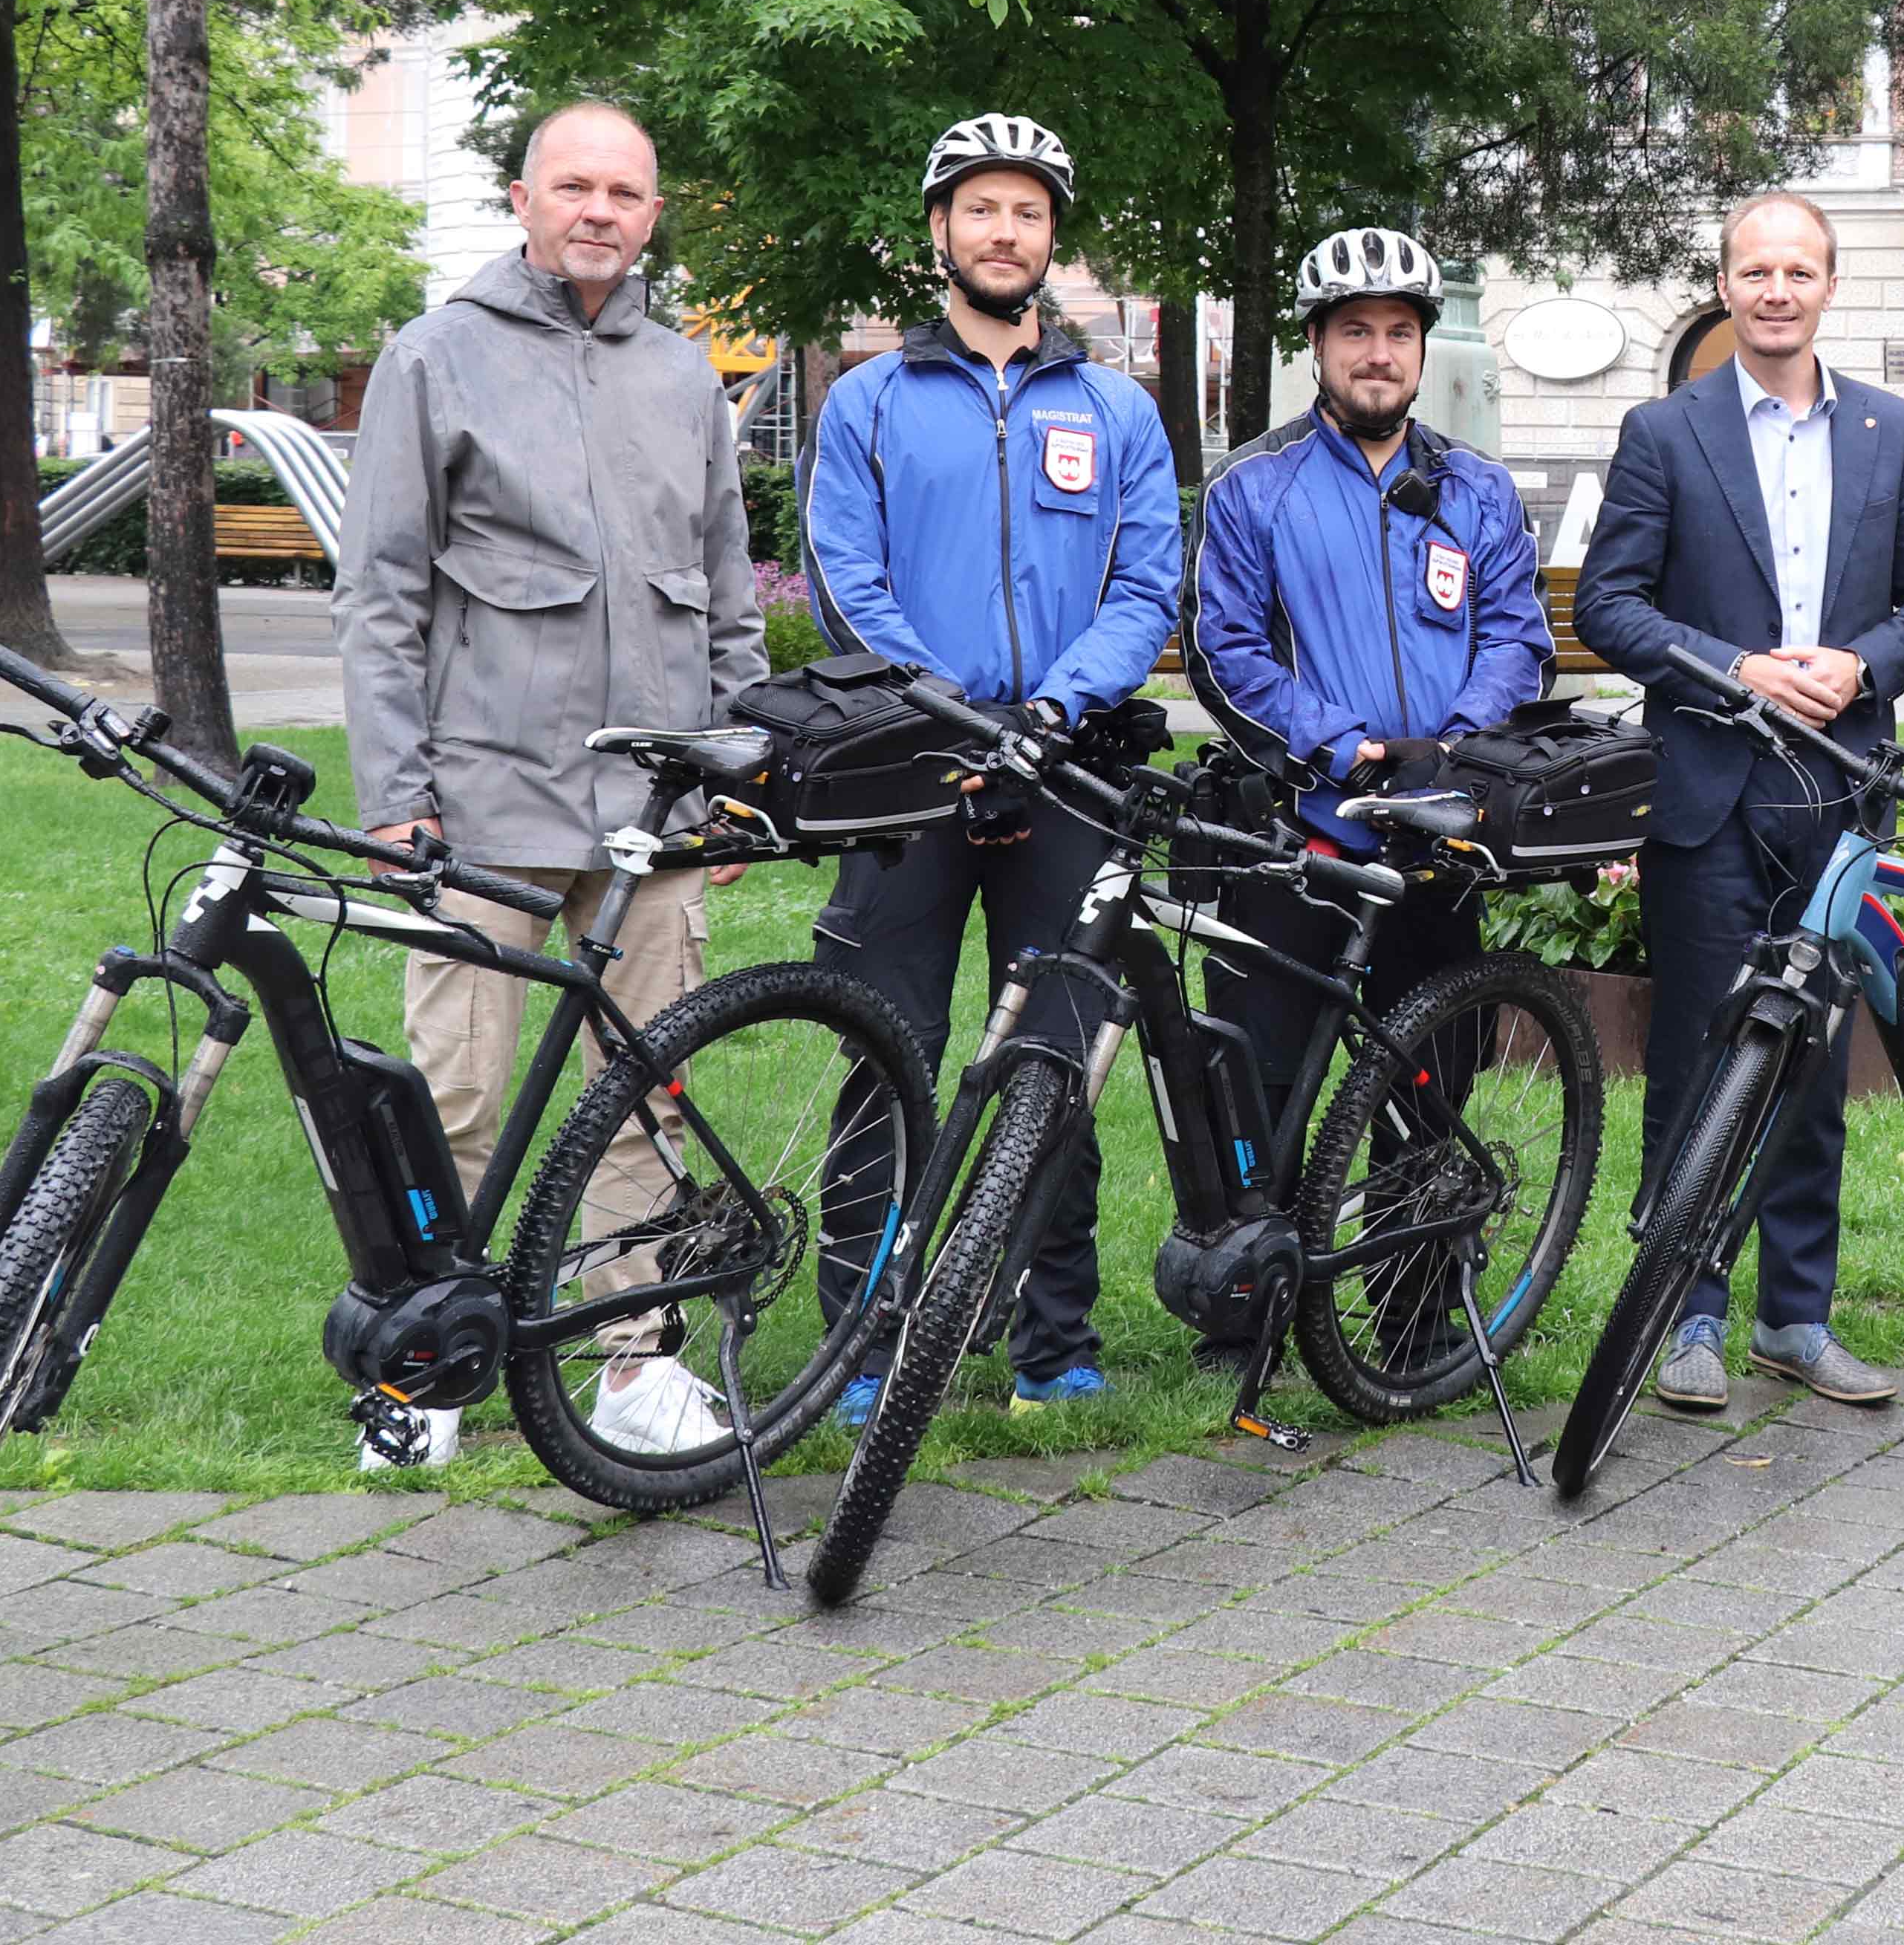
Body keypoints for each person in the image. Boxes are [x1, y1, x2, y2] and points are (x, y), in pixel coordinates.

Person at [334, 99, 767, 1472]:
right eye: (572, 185)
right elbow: (381, 596)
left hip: (654, 820)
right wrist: (397, 797)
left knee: (643, 1096)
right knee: (454, 1092)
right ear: (521, 199)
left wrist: (733, 783)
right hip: (480, 807)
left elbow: (730, 607)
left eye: (624, 192)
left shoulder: (686, 378)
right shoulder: (434, 358)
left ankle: (630, 1362)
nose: (598, 210)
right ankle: (424, 1369)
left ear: (653, 214)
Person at [802, 114, 1182, 1417]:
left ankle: (1052, 1342)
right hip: (913, 768)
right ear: (939, 232)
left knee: (1058, 1057)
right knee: (886, 1049)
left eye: (1026, 211)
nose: (1004, 232)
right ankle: (861, 1339)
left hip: (1065, 773)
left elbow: (1145, 586)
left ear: (1051, 236)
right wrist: (953, 713)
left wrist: (1056, 709)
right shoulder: (866, 401)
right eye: (980, 210)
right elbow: (843, 579)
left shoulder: (1117, 408)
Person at [1576, 191, 1904, 1415]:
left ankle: (1797, 1315)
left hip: (1839, 796)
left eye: (1799, 270)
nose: (1777, 290)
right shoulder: (1663, 431)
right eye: (1756, 271)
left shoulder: (1896, 431)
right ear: (1727, 288)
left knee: (1815, 1059)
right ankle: (1685, 1311)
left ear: (1828, 286)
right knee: (1695, 1057)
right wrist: (1733, 665)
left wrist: (1864, 662)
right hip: (1707, 792)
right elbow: (1609, 607)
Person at [1186, 226, 1553, 1306]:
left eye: (1399, 332)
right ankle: (1247, 1300)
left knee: (1431, 1076)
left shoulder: (1476, 487)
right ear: (1315, 345)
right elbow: (1227, 649)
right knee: (1261, 1076)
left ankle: (1414, 1298)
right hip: (1305, 829)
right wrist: (1344, 744)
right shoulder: (1255, 485)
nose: (1379, 352)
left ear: (1422, 349)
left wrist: (1447, 744)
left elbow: (1517, 638)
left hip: (1438, 831)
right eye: (1356, 332)